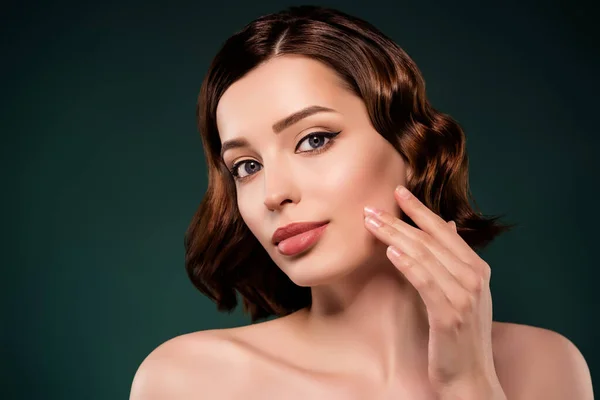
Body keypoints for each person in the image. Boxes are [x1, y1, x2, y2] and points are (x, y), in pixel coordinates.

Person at [130, 5, 593, 399]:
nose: (273, 194)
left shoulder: (546, 368)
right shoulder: (191, 381)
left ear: (411, 148)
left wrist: (470, 384)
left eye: (314, 139)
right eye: (246, 166)